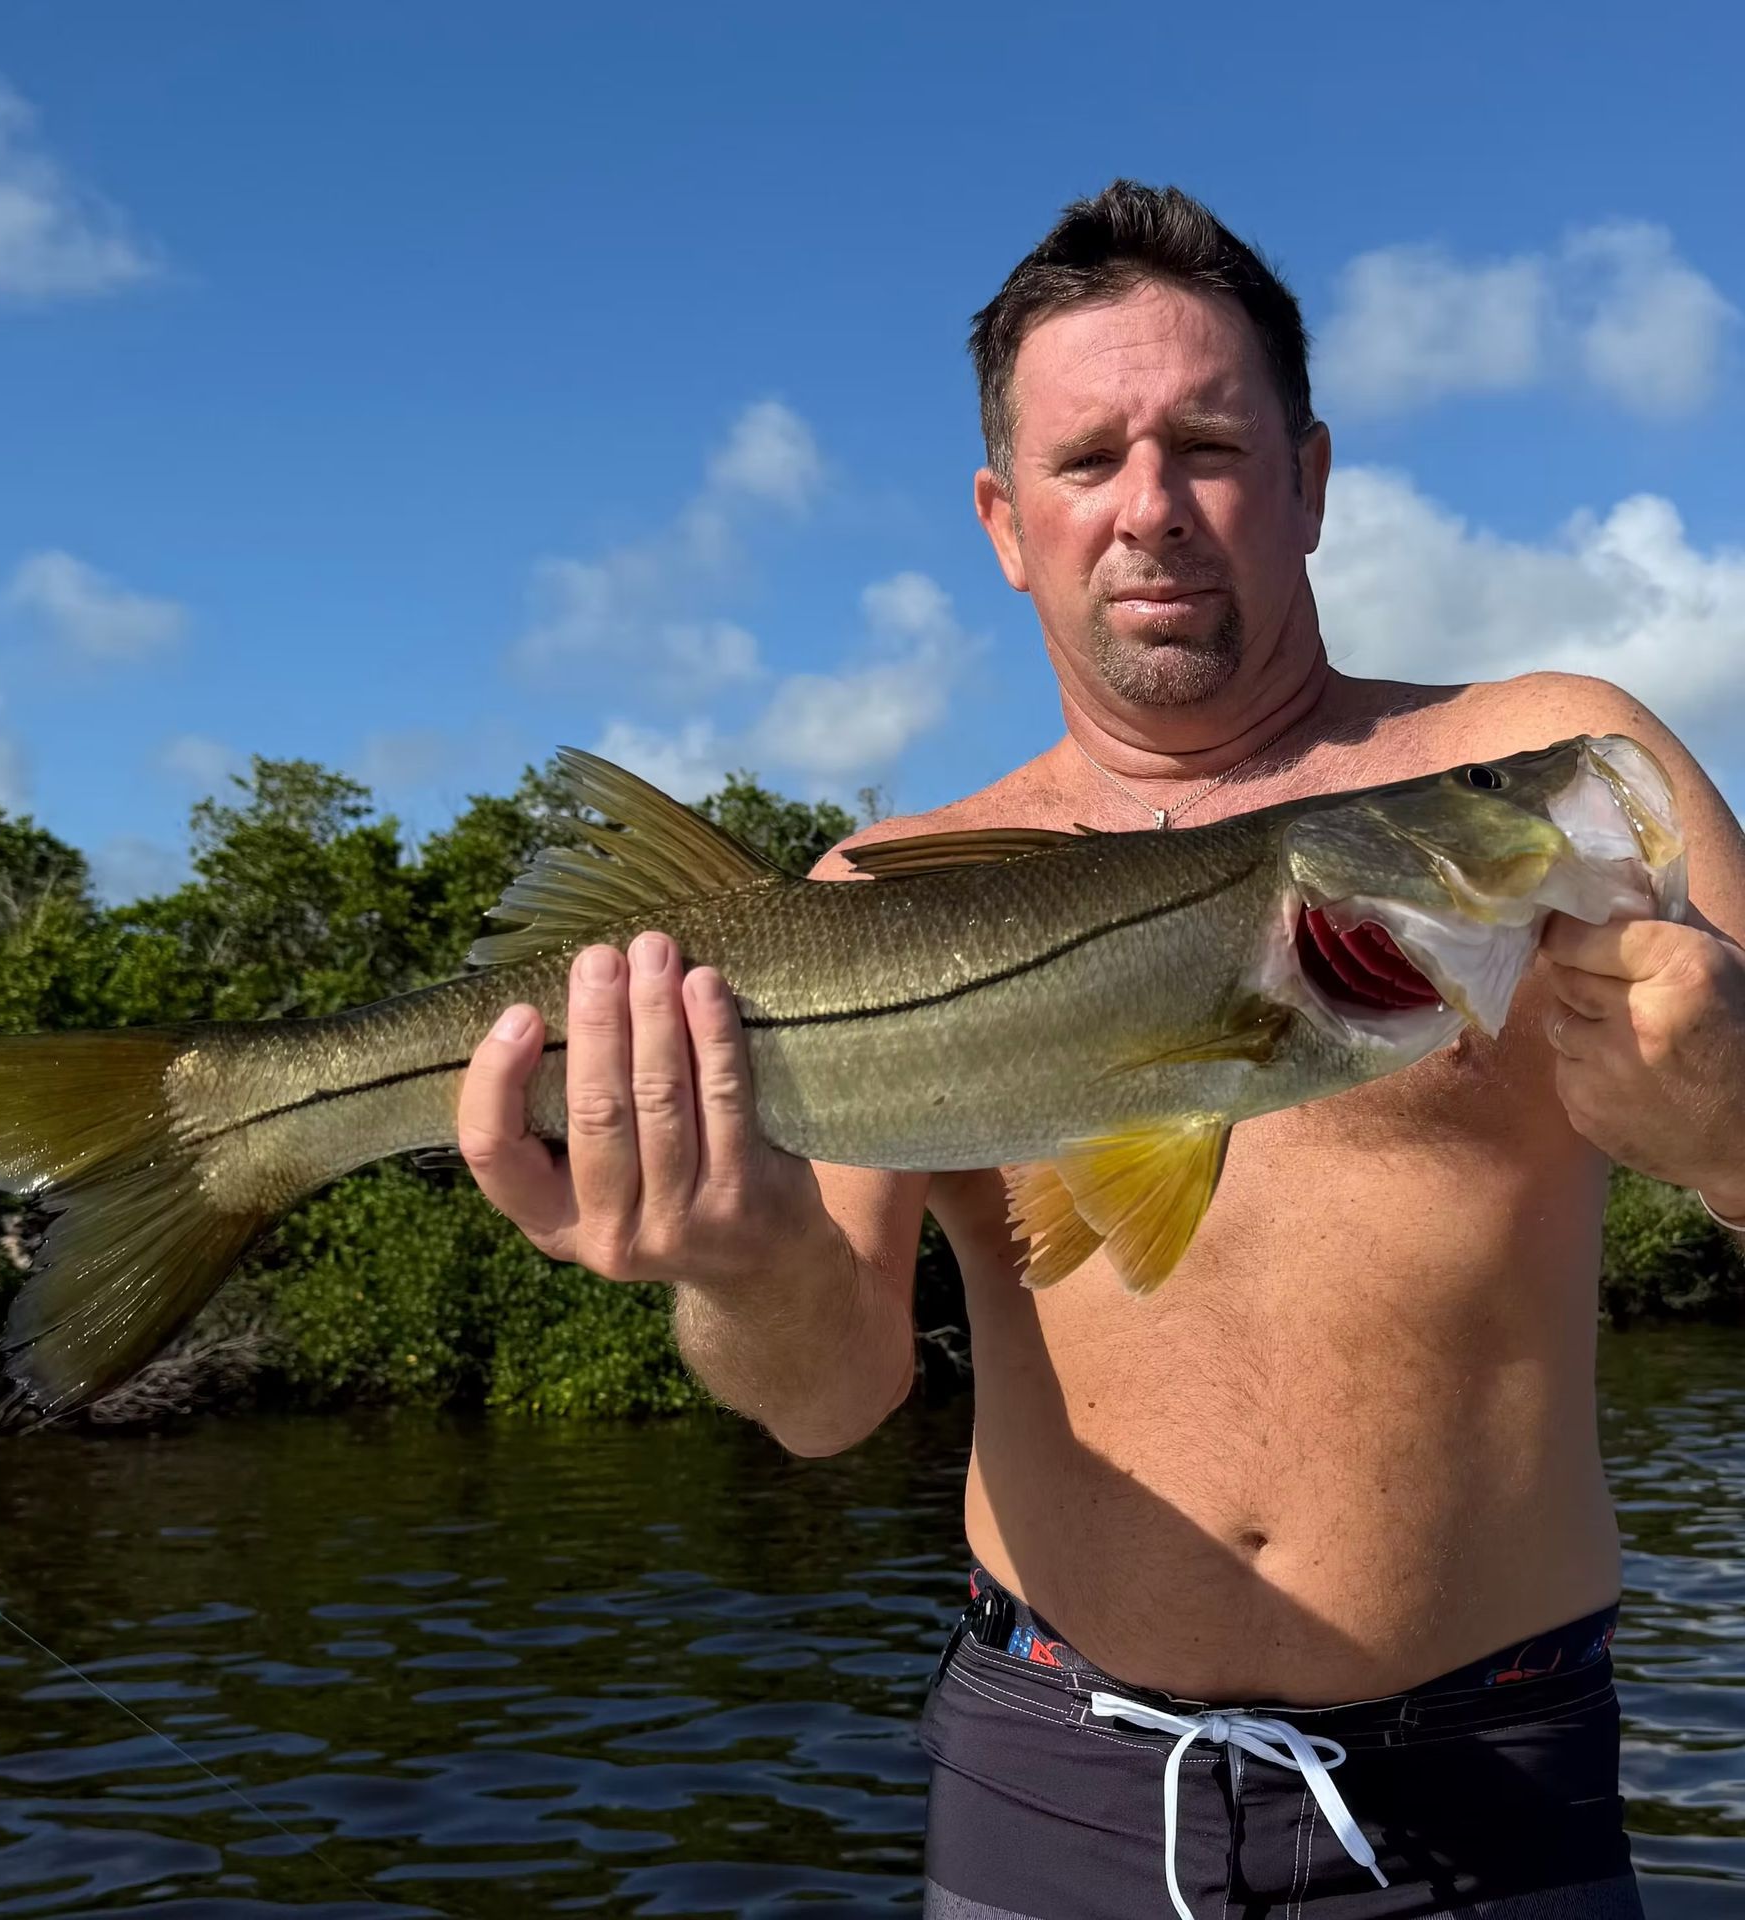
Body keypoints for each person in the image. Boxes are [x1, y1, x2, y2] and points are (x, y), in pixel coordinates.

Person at [456, 183, 1745, 1917]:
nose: (1153, 509)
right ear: (1005, 520)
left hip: (1498, 1784)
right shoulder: (869, 893)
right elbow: (832, 1402)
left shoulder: (1552, 765)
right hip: (1051, 1780)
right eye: (1086, 462)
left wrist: (1733, 1136)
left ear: (1311, 478)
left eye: (1211, 442)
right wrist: (741, 1271)